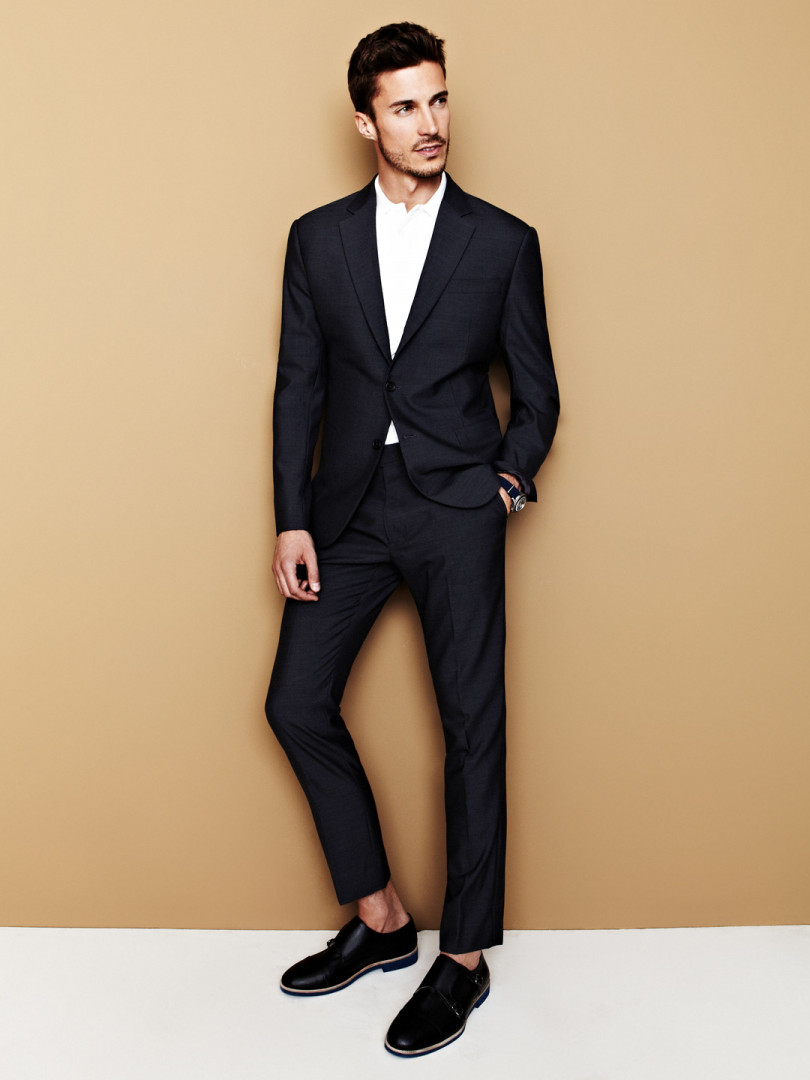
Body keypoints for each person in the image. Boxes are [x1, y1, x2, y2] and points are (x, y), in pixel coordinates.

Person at [265, 22, 559, 1057]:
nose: (429, 123)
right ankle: (382, 918)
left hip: (454, 507)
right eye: (404, 106)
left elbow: (538, 392)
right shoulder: (318, 238)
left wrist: (504, 485)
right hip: (345, 508)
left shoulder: (502, 241)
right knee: (295, 703)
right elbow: (299, 383)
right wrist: (291, 516)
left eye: (438, 100)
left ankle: (463, 960)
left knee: (472, 727)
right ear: (366, 122)